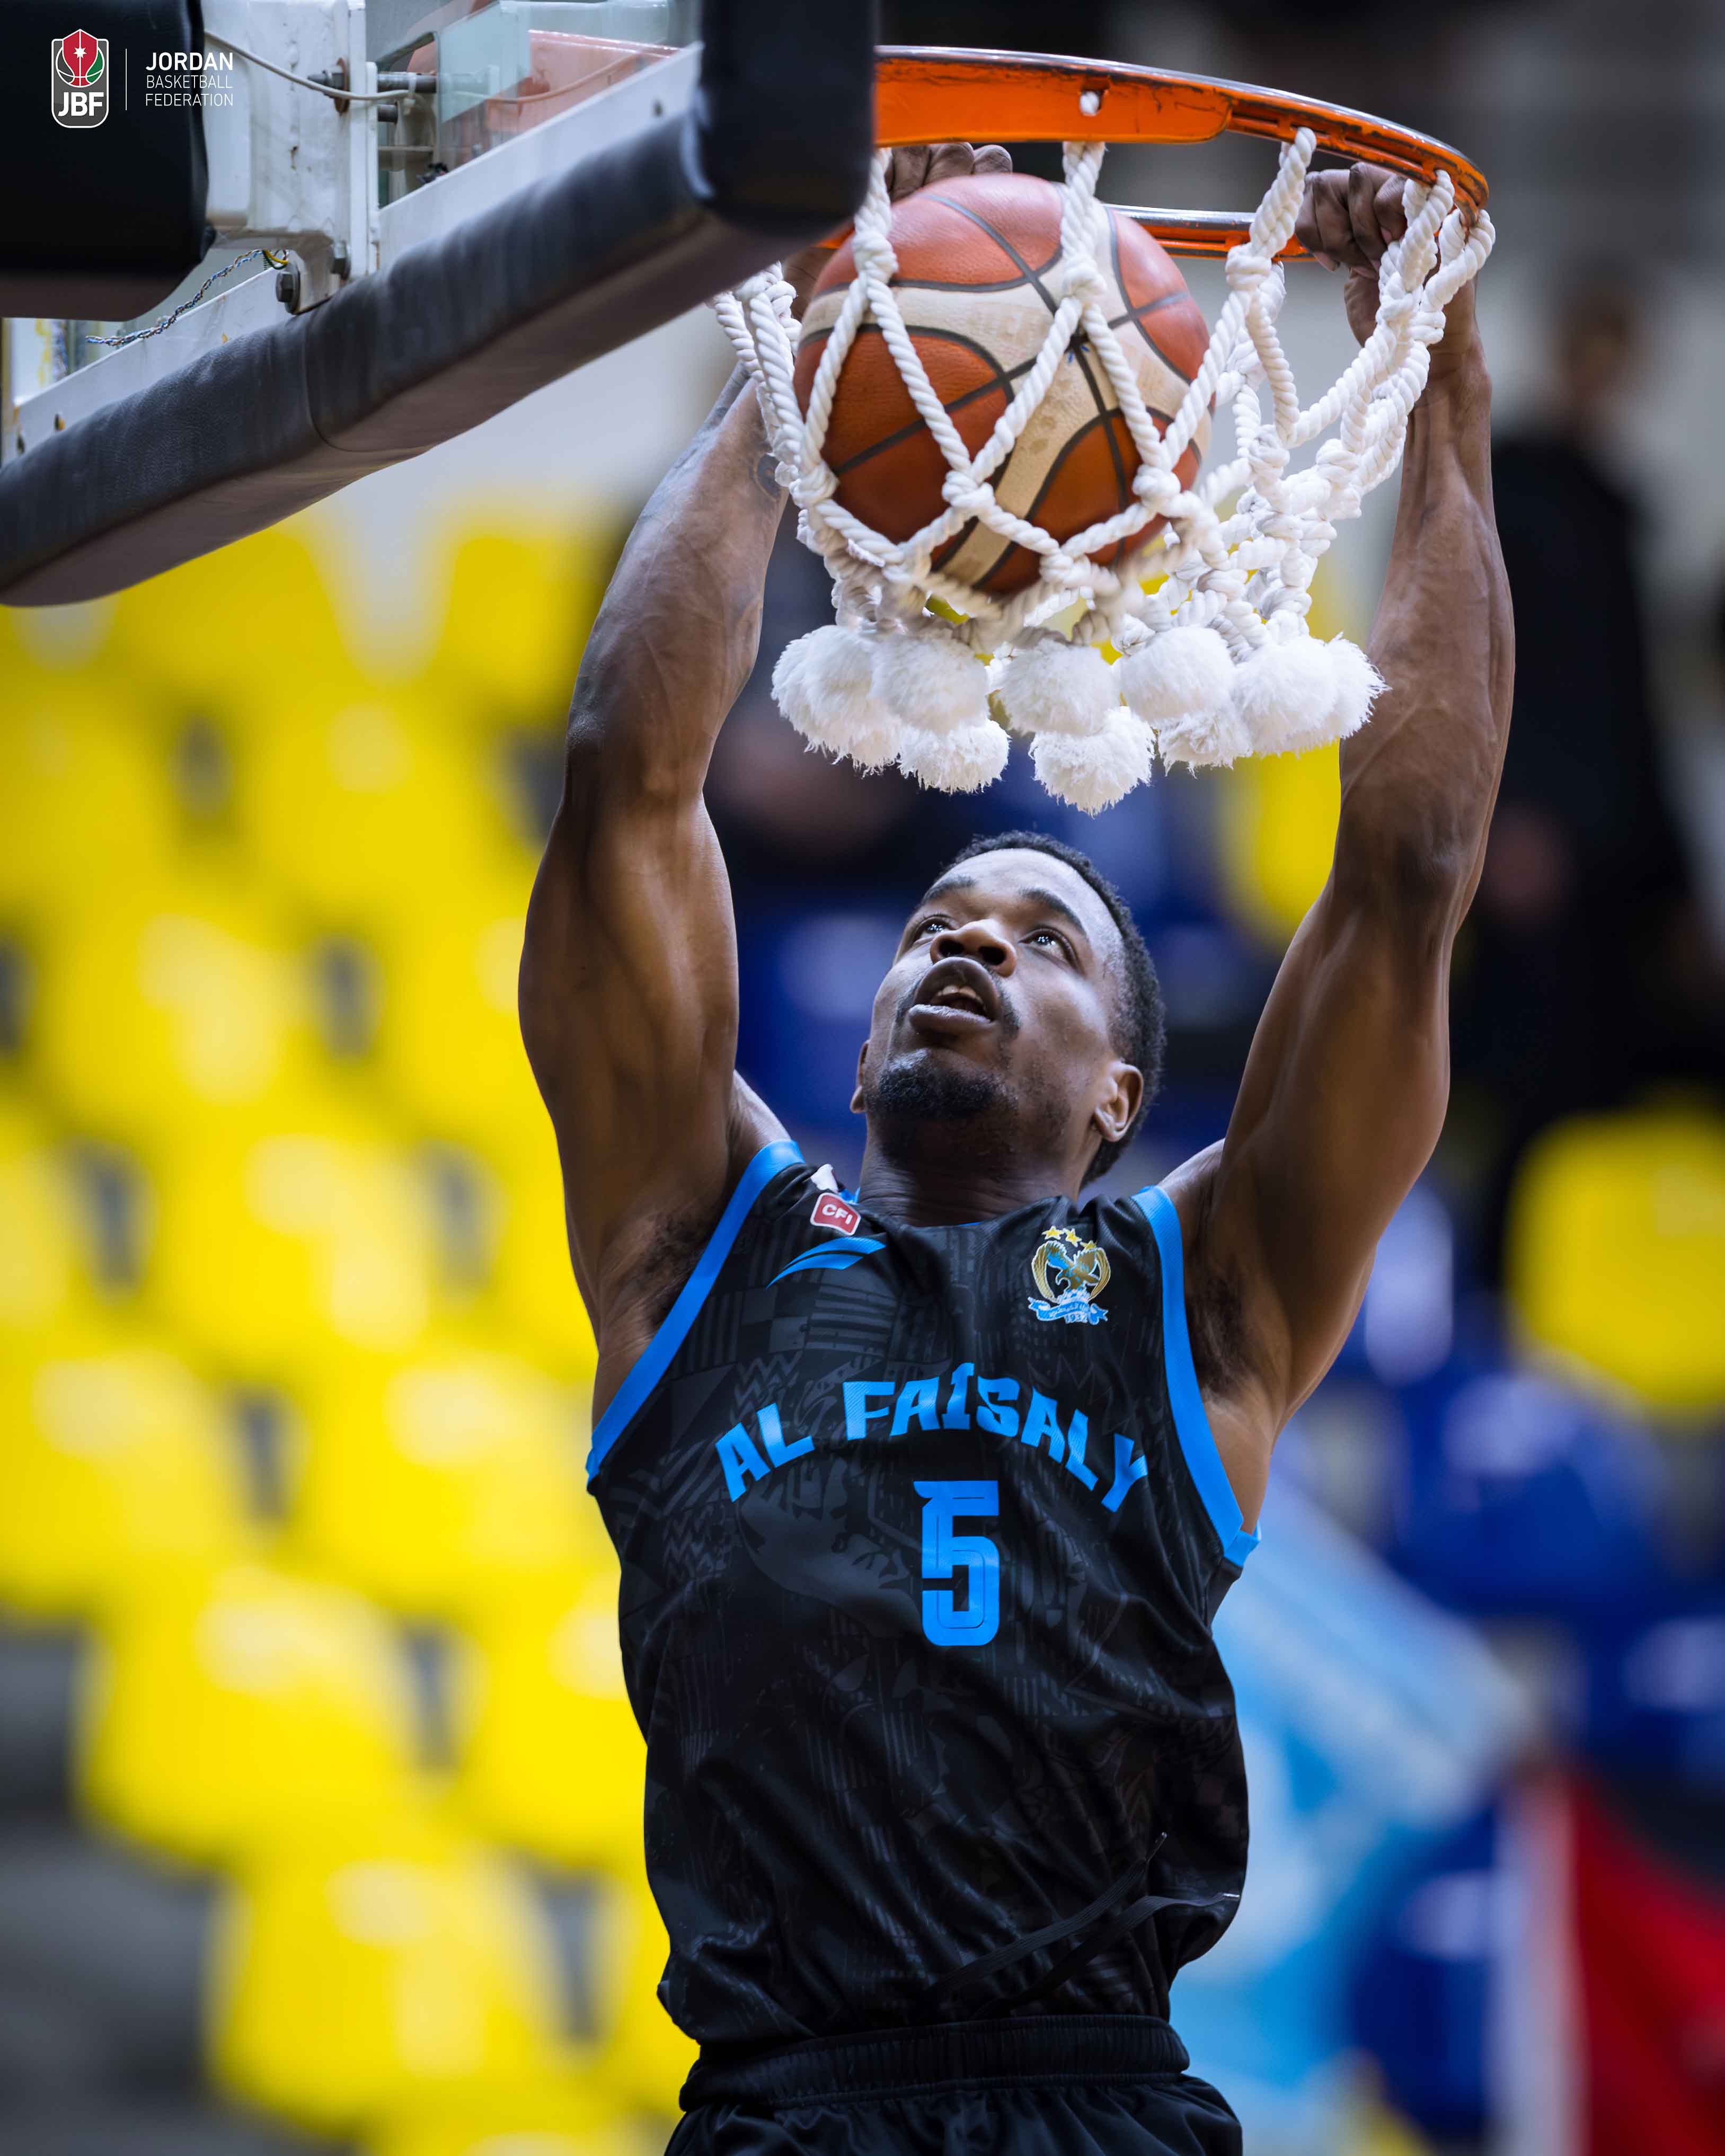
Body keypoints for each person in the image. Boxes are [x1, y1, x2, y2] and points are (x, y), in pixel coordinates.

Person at [520, 143, 1511, 2156]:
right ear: (867, 1028)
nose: (967, 944)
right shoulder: (696, 1251)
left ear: (1122, 1098)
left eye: (1044, 940)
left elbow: (1408, 873)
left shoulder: (1199, 1304)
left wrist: (1445, 383)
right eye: (935, 926)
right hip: (788, 2111)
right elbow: (630, 776)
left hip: (1102, 2103)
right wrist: (794, 371)